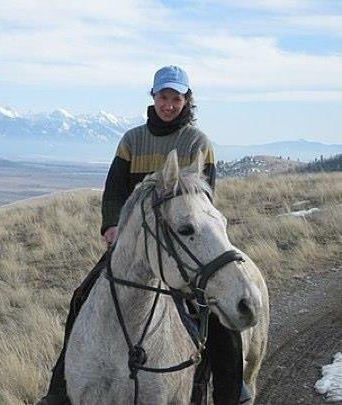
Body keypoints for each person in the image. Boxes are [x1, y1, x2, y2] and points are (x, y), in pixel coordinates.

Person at [37, 65, 250, 405]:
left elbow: (203, 201)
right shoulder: (131, 140)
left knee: (213, 307)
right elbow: (114, 190)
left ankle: (231, 390)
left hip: (180, 243)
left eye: (176, 98)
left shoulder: (198, 143)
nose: (169, 105)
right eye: (163, 97)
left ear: (187, 100)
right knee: (82, 296)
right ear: (153, 97)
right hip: (133, 242)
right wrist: (112, 225)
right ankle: (60, 389)